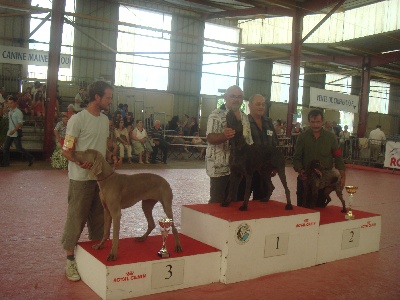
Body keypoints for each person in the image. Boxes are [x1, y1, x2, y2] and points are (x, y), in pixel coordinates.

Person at [61, 81, 114, 282]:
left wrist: (111, 155)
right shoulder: (77, 120)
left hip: (100, 180)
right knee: (76, 219)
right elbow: (66, 150)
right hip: (80, 180)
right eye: (108, 97)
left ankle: (96, 259)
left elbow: (101, 148)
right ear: (97, 97)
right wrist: (78, 160)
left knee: (100, 220)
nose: (110, 100)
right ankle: (70, 261)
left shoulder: (104, 120)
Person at [205, 85, 253, 204]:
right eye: (233, 96)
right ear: (225, 97)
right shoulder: (216, 114)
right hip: (219, 168)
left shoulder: (244, 117)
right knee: (217, 202)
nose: (236, 99)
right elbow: (210, 137)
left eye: (239, 97)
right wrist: (223, 136)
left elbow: (249, 142)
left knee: (236, 202)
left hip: (239, 168)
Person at [293, 109, 346, 208]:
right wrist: (300, 170)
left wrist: (343, 176)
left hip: (323, 180)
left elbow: (338, 156)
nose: (315, 125)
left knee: (320, 211)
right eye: (312, 122)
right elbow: (296, 158)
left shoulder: (331, 137)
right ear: (309, 122)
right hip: (305, 179)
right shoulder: (302, 137)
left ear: (322, 122)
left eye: (318, 122)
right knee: (302, 211)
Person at [237, 94, 279, 201]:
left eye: (263, 104)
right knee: (240, 200)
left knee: (262, 202)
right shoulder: (243, 122)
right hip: (246, 171)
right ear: (250, 105)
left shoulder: (268, 122)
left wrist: (274, 164)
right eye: (258, 104)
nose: (261, 107)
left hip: (264, 170)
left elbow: (274, 144)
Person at [1, 96, 35, 167]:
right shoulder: (11, 111)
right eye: (9, 103)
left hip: (15, 133)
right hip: (10, 132)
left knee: (18, 148)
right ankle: (5, 162)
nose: (10, 104)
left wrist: (14, 130)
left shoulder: (18, 112)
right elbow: (8, 117)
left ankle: (30, 157)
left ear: (15, 103)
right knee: (6, 148)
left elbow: (20, 123)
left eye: (11, 103)